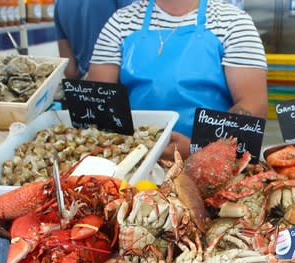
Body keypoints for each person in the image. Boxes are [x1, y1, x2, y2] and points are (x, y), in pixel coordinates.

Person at [87, 0, 268, 158]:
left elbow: (253, 105)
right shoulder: (120, 22)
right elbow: (96, 104)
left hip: (210, 165)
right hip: (134, 159)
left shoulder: (232, 22)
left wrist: (198, 149)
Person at [54, 0, 135, 79]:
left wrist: (85, 69)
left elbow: (70, 72)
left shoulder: (59, 3)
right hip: (119, 83)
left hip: (85, 86)